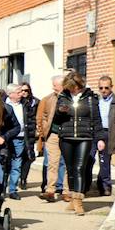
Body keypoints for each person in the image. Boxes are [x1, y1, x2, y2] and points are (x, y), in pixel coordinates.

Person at [50, 71, 104, 216]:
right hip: (66, 136)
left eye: (75, 87)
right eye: (70, 88)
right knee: (70, 169)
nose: (73, 90)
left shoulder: (91, 98)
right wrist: (60, 112)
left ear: (80, 85)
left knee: (80, 168)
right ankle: (73, 199)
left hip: (84, 137)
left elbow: (97, 119)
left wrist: (100, 138)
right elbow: (56, 119)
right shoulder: (63, 97)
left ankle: (79, 201)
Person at [36, 72, 67, 202]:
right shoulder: (48, 99)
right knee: (52, 163)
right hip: (52, 135)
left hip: (66, 135)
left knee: (66, 163)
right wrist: (43, 130)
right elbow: (42, 116)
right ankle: (50, 190)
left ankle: (66, 191)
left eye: (55, 85)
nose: (53, 88)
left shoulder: (70, 98)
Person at [4, 83, 35, 198]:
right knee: (4, 165)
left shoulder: (25, 104)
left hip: (20, 138)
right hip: (5, 138)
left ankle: (13, 190)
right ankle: (1, 189)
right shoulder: (3, 104)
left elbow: (31, 121)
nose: (21, 94)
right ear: (10, 94)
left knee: (16, 164)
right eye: (18, 92)